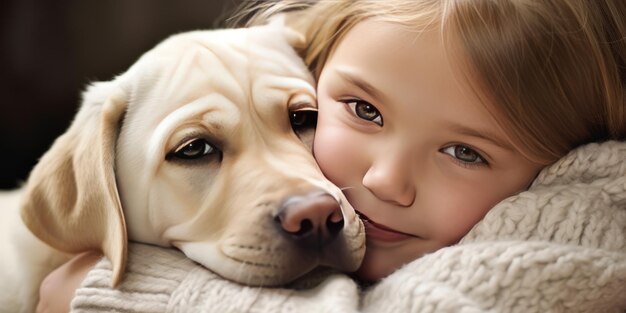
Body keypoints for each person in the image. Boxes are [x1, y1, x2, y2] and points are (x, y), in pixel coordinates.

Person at [38, 0, 626, 311]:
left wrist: (129, 292)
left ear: (570, 157)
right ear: (314, 67)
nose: (384, 179)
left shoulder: (583, 224)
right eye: (363, 111)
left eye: (463, 151)